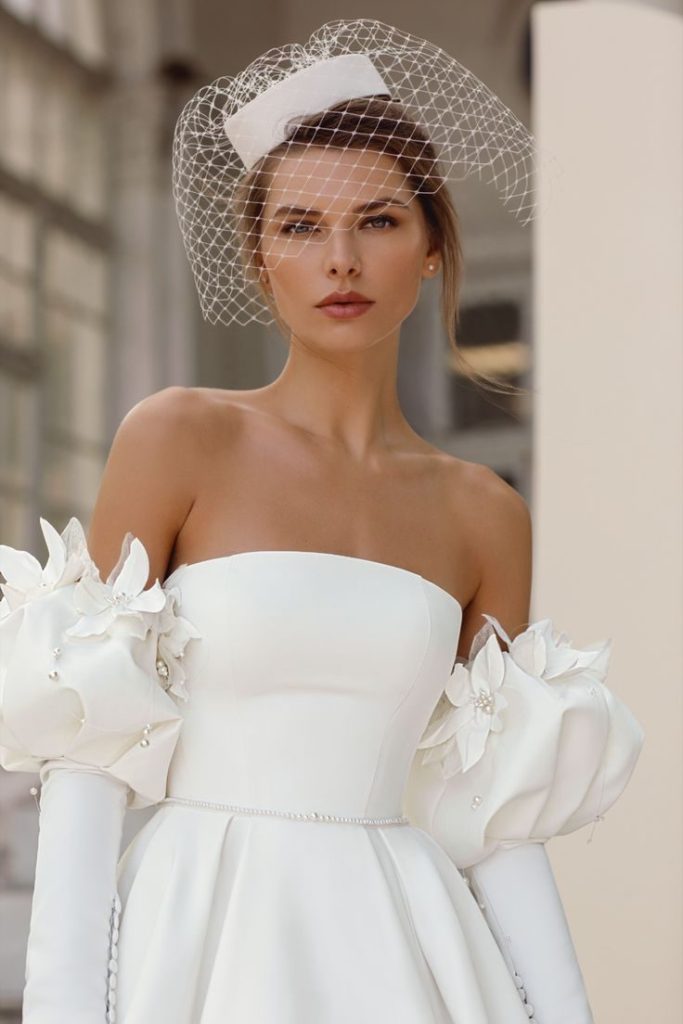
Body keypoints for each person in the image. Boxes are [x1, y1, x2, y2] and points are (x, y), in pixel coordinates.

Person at [0, 19, 644, 1024]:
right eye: (299, 226)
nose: (339, 258)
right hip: (199, 935)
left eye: (378, 221)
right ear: (258, 258)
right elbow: (87, 758)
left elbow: (491, 814)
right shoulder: (176, 440)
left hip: (401, 946)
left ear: (431, 246)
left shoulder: (484, 513)